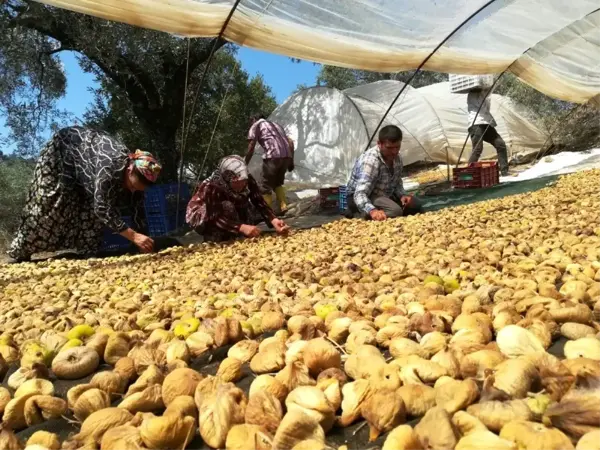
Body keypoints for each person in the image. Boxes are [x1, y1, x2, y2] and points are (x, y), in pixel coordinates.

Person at [7, 127, 161, 263]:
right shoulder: (108, 167)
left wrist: (143, 239)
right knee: (50, 207)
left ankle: (87, 251)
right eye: (133, 186)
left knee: (90, 206)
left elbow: (137, 209)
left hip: (85, 170)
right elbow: (102, 209)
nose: (134, 191)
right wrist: (134, 237)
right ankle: (20, 251)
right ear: (129, 170)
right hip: (62, 152)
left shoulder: (136, 177)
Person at [186, 155, 290, 242]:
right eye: (236, 182)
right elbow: (215, 217)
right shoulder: (212, 187)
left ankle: (236, 234)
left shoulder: (246, 179)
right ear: (227, 179)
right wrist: (241, 227)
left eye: (243, 181)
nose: (242, 184)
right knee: (227, 207)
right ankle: (216, 238)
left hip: (231, 208)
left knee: (249, 210)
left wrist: (274, 220)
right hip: (207, 216)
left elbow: (259, 201)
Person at [345, 125, 422, 221]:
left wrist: (402, 195)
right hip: (362, 198)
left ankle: (384, 211)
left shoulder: (397, 158)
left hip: (383, 195)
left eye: (397, 147)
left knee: (416, 204)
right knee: (395, 211)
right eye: (389, 148)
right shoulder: (371, 161)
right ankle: (362, 214)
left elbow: (397, 183)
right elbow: (360, 194)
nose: (394, 151)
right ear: (379, 144)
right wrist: (372, 211)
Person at [245, 114, 294, 214]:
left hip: (272, 157)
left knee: (264, 186)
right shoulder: (276, 125)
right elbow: (290, 142)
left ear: (254, 119)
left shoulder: (256, 125)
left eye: (251, 122)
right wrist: (291, 161)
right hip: (286, 157)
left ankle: (268, 213)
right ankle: (284, 206)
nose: (251, 124)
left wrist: (244, 163)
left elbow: (251, 147)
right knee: (277, 183)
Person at [467, 87, 509, 175]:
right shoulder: (473, 93)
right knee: (478, 148)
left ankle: (504, 171)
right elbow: (482, 106)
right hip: (476, 123)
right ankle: (469, 174)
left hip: (486, 123)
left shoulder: (485, 93)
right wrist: (486, 91)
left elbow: (486, 107)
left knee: (500, 144)